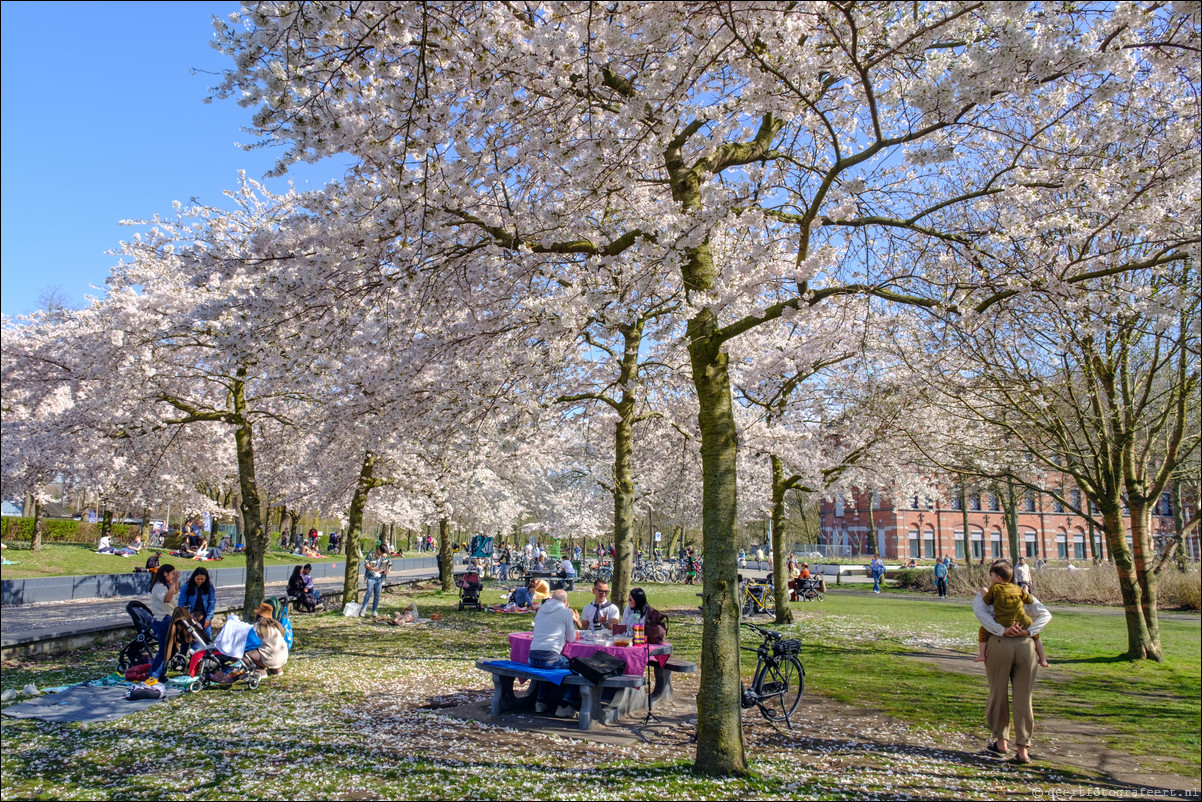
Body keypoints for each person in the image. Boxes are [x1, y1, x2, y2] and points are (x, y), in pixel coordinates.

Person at [974, 564, 1052, 764]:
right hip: (1026, 647)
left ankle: (1001, 742)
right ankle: (1023, 748)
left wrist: (1002, 630)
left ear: (996, 577)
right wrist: (1030, 631)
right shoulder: (1020, 591)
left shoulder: (988, 593)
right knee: (1024, 697)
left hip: (999, 645)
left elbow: (981, 615)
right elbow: (1045, 613)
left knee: (998, 692)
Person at [975, 562, 1049, 667]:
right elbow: (1028, 600)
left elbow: (987, 601)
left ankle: (981, 655)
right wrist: (1025, 591)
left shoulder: (994, 588)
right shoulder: (1017, 588)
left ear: (998, 578)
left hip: (1003, 622)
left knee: (982, 631)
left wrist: (984, 592)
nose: (990, 578)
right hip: (1022, 622)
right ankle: (1043, 659)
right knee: (1035, 635)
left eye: (991, 576)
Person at [529, 588, 581, 717]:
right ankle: (565, 704)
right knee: (578, 669)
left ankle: (540, 700)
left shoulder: (541, 609)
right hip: (551, 658)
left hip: (532, 657)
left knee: (545, 669)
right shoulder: (565, 611)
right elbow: (571, 638)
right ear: (565, 601)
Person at [147, 607, 203, 682]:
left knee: (167, 651)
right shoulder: (163, 596)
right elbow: (166, 599)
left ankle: (160, 676)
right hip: (163, 620)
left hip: (167, 618)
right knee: (163, 651)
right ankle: (153, 677)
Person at [243, 602, 290, 676]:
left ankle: (260, 671)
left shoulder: (257, 626)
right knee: (271, 649)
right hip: (283, 657)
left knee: (244, 655)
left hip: (270, 659)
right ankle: (277, 671)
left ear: (258, 615)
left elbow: (249, 642)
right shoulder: (277, 625)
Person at [179, 566, 217, 639]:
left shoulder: (209, 586)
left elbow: (211, 602)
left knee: (207, 637)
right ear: (194, 578)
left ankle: (206, 650)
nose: (200, 581)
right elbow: (182, 603)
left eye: (202, 579)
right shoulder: (187, 586)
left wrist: (208, 618)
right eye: (198, 579)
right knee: (187, 638)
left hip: (204, 616)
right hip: (190, 616)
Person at [361, 544, 390, 617]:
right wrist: (373, 569)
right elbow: (365, 564)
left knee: (377, 594)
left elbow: (390, 563)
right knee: (369, 592)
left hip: (380, 577)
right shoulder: (371, 554)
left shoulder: (384, 556)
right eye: (382, 553)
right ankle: (363, 609)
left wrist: (388, 570)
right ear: (379, 550)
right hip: (371, 576)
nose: (383, 555)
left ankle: (374, 610)